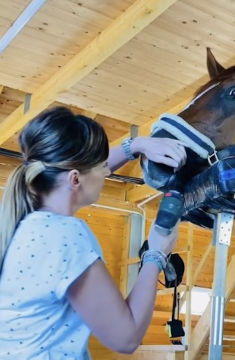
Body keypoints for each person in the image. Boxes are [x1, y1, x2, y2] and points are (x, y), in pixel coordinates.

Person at [0, 106, 187, 359]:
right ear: (75, 180)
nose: (107, 172)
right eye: (101, 167)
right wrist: (155, 254)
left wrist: (138, 145)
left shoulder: (29, 224)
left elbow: (77, 169)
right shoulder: (65, 235)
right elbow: (127, 337)